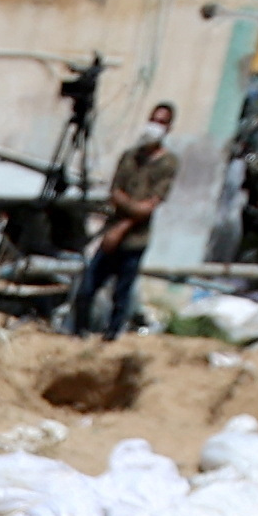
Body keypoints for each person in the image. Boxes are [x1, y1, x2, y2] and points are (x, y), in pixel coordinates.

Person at [75, 103, 174, 342]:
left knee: (122, 292)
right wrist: (131, 207)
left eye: (161, 122)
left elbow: (148, 207)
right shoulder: (130, 157)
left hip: (134, 238)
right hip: (111, 236)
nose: (154, 126)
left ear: (168, 128)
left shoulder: (168, 163)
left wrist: (124, 220)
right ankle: (79, 333)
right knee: (87, 287)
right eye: (153, 119)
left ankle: (112, 336)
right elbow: (115, 192)